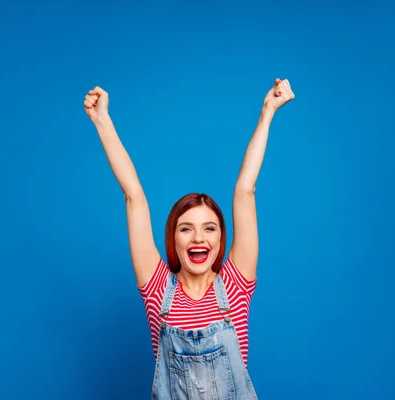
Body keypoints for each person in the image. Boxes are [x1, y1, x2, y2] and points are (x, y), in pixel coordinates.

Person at [83, 79, 295, 399]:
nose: (199, 237)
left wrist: (267, 113)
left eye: (209, 228)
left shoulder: (236, 286)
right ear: (174, 238)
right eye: (186, 228)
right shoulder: (157, 291)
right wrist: (102, 120)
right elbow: (134, 195)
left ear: (222, 238)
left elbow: (245, 189)